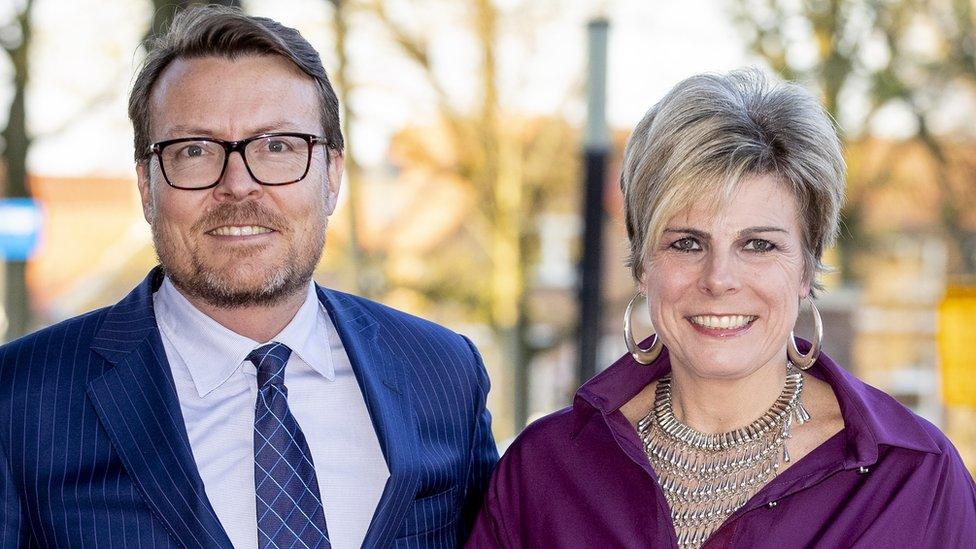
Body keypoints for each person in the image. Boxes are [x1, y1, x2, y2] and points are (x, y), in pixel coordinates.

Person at [0, 6, 497, 548]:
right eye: (194, 150)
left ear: (331, 175)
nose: (238, 185)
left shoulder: (445, 374)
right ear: (146, 185)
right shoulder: (21, 399)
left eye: (277, 146)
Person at [468, 69, 976, 548]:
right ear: (643, 265)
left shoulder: (913, 479)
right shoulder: (545, 469)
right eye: (687, 243)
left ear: (806, 269)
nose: (719, 280)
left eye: (758, 245)